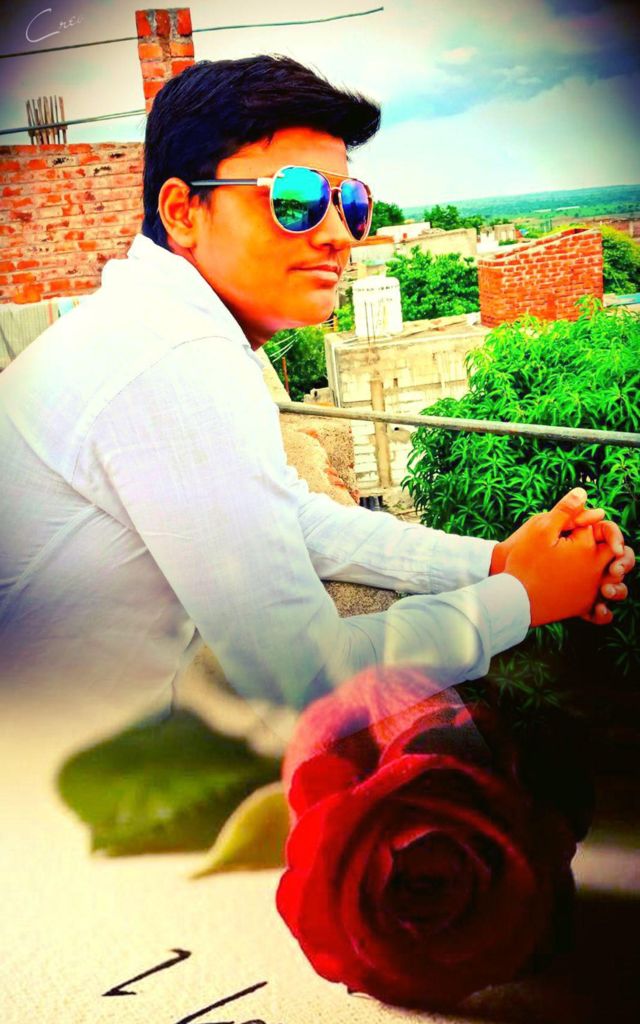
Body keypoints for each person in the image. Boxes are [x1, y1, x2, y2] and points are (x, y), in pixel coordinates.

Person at [0, 55, 634, 746]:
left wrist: (494, 562)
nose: (338, 233)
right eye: (294, 199)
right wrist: (521, 599)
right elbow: (302, 678)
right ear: (184, 212)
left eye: (350, 201)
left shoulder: (156, 325)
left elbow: (289, 517)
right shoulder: (172, 353)